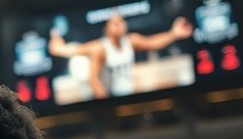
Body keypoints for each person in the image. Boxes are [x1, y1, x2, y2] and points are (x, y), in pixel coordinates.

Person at [48, 13, 193, 98]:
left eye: (121, 22)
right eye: (114, 23)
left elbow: (152, 42)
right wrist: (60, 48)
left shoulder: (131, 40)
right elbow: (93, 79)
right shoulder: (100, 48)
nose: (119, 25)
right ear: (106, 29)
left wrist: (174, 34)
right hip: (109, 96)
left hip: (128, 92)